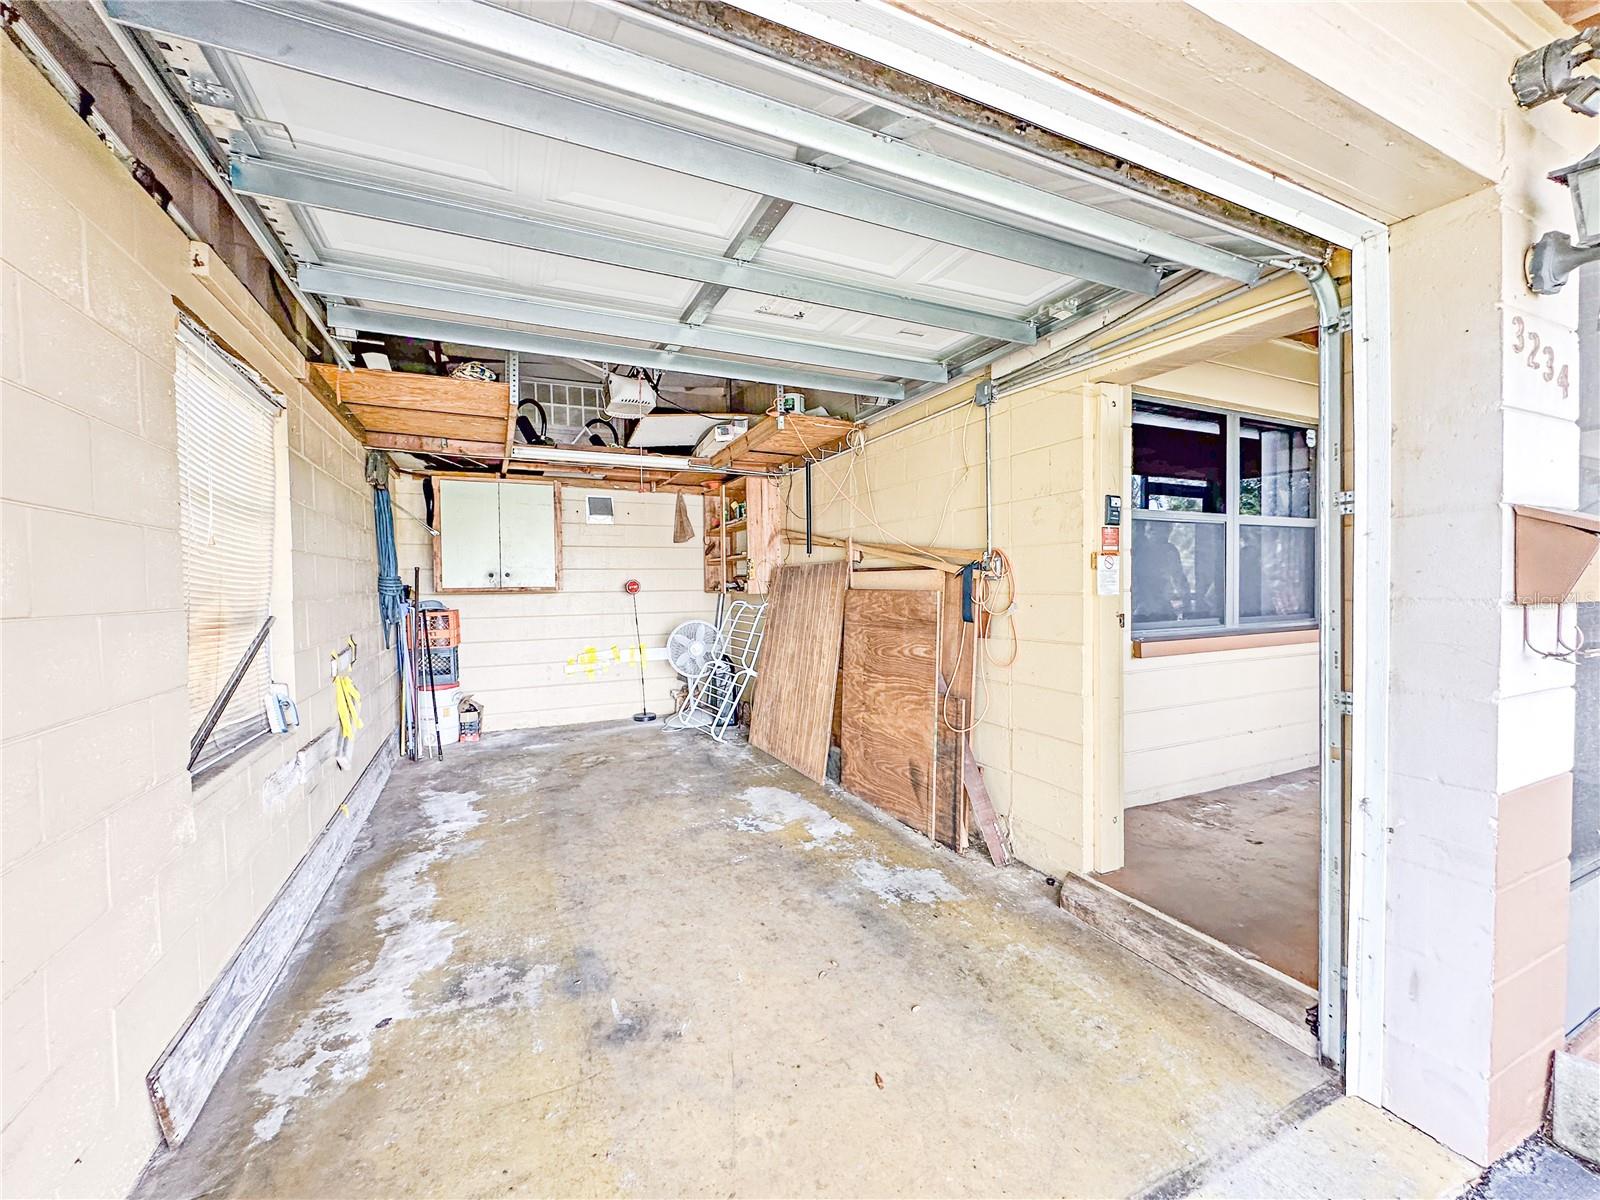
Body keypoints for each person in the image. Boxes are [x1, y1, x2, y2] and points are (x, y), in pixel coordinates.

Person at [1132, 521, 1189, 624]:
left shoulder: (1170, 550)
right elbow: (1178, 577)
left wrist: (1185, 599)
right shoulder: (1140, 550)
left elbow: (1179, 577)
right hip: (1144, 607)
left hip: (1161, 606)